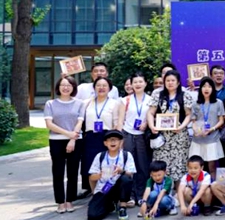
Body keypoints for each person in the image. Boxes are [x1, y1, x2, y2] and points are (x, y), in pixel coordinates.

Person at [45, 76, 85, 213]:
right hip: (56, 140)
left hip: (76, 140)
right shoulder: (50, 104)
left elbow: (79, 122)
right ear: (58, 87)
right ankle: (60, 202)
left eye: (69, 85)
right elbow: (49, 124)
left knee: (73, 172)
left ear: (73, 87)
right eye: (63, 85)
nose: (66, 87)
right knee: (58, 172)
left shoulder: (80, 103)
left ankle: (70, 200)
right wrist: (68, 134)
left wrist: (72, 139)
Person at [82, 77, 125, 197]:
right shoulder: (86, 103)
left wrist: (117, 142)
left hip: (107, 138)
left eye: (104, 85)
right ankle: (95, 195)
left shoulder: (115, 103)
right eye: (98, 85)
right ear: (94, 88)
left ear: (109, 88)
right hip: (90, 138)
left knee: (108, 167)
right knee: (91, 169)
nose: (101, 88)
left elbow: (117, 124)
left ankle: (109, 196)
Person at [147, 70, 193, 183]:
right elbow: (150, 112)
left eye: (173, 80)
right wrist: (152, 126)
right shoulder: (157, 95)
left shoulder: (185, 95)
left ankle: (179, 191)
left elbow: (189, 115)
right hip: (162, 138)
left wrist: (181, 127)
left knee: (179, 166)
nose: (170, 83)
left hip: (179, 137)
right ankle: (162, 190)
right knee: (162, 166)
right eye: (167, 80)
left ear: (178, 82)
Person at [87, 130, 136, 220]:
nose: (113, 142)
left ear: (121, 142)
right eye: (110, 140)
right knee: (92, 216)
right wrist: (99, 175)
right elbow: (91, 177)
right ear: (105, 143)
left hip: (118, 187)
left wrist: (121, 171)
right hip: (103, 188)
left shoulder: (126, 155)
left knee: (125, 179)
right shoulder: (100, 156)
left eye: (115, 140)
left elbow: (131, 174)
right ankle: (110, 205)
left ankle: (122, 207)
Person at [122, 72, 152, 205]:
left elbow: (153, 116)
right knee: (129, 166)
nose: (138, 84)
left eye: (140, 81)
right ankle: (130, 195)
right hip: (127, 134)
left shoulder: (151, 100)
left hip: (143, 136)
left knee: (143, 166)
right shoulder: (125, 100)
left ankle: (141, 194)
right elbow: (121, 119)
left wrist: (146, 123)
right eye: (135, 82)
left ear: (145, 83)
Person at [190, 77, 225, 174]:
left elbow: (221, 120)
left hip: (212, 138)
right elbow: (193, 121)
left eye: (209, 87)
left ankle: (212, 183)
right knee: (198, 167)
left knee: (212, 166)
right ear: (200, 88)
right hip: (198, 139)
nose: (206, 89)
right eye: (204, 86)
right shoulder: (195, 104)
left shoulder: (218, 103)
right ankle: (201, 183)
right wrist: (196, 130)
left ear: (213, 89)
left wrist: (212, 129)